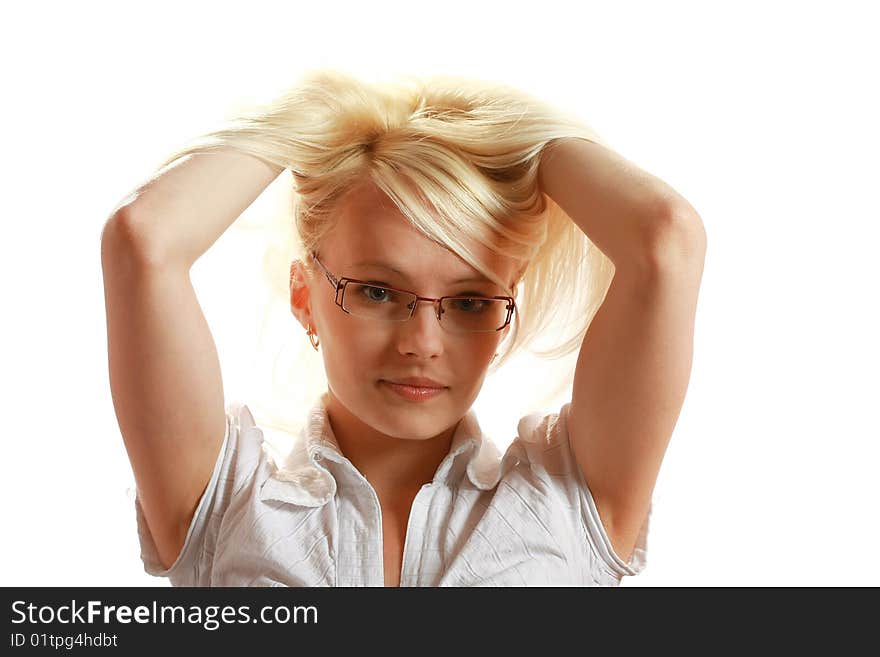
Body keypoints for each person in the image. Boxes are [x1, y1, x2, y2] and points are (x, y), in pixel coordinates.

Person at [100, 69, 706, 587]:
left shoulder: (569, 503)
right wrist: (317, 114)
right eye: (378, 291)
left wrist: (503, 129)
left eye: (470, 302)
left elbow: (666, 237)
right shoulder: (225, 507)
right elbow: (143, 239)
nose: (421, 342)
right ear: (304, 296)